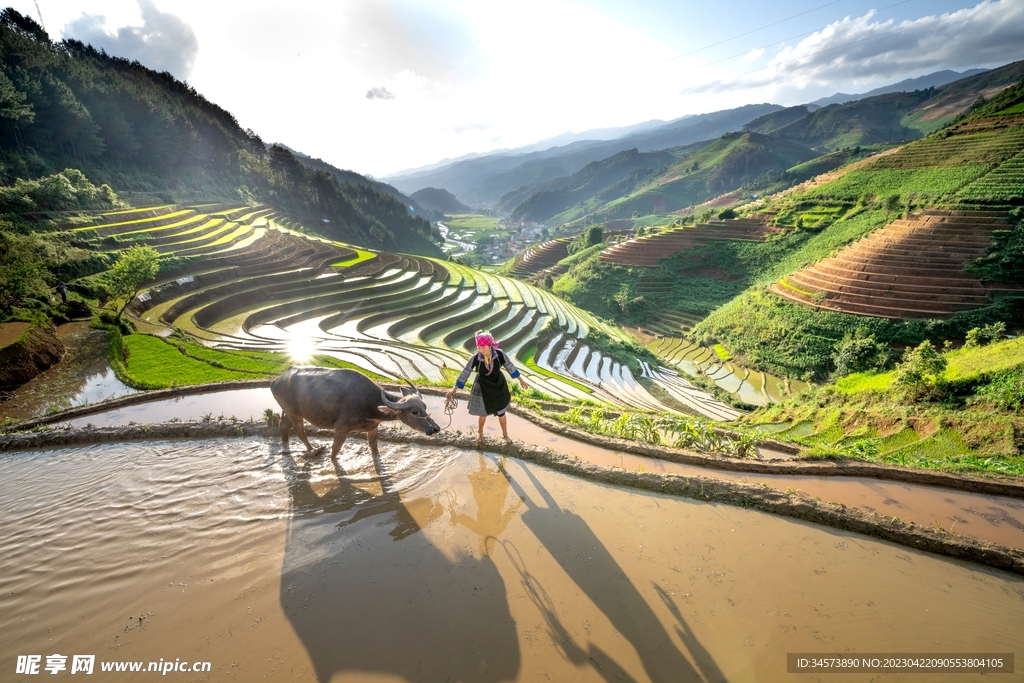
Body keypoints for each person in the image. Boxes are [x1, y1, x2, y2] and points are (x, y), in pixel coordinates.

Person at [447, 331, 527, 444]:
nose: (480, 350)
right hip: (482, 386)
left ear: (490, 345)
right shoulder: (476, 358)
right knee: (483, 413)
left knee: (501, 412)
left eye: (483, 347)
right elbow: (466, 371)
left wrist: (521, 381)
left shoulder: (499, 354)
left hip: (498, 385)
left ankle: (505, 434)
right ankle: (480, 433)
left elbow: (510, 367)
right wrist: (454, 389)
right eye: (478, 347)